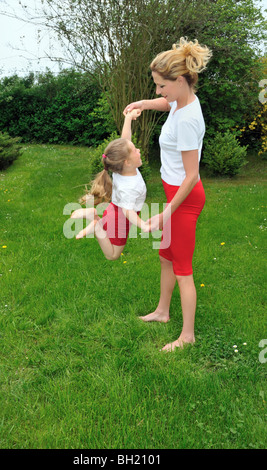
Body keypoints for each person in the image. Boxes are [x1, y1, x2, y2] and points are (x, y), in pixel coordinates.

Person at [124, 37, 212, 352]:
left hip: (184, 200)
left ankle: (187, 336)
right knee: (166, 257)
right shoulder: (183, 100)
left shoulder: (188, 120)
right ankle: (162, 312)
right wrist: (143, 104)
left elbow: (191, 176)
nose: (159, 92)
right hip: (174, 194)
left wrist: (166, 212)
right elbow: (166, 103)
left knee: (183, 269)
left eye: (161, 86)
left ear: (178, 80)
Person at [71, 108, 150, 260]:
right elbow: (128, 212)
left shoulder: (120, 168)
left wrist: (128, 118)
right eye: (135, 151)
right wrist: (144, 225)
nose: (138, 150)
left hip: (112, 211)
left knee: (111, 246)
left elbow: (125, 141)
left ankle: (92, 215)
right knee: (112, 255)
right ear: (127, 161)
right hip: (121, 219)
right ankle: (95, 225)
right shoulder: (130, 186)